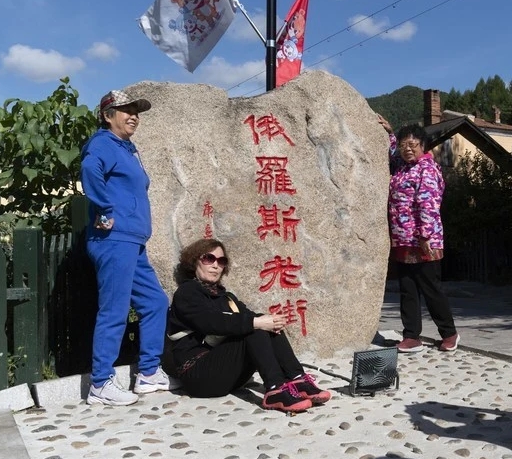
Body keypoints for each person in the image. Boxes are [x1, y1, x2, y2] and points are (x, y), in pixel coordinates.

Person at [162, 238, 331, 413]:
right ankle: (275, 389)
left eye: (221, 261)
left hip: (227, 375)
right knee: (254, 326)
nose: (215, 265)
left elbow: (249, 317)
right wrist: (256, 322)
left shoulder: (226, 297)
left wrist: (270, 322)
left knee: (263, 323)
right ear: (194, 261)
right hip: (198, 376)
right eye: (208, 258)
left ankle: (298, 379)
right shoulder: (187, 292)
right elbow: (210, 322)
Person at [81, 90, 171, 406]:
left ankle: (148, 374)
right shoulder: (103, 144)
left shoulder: (127, 147)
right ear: (108, 115)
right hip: (113, 240)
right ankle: (101, 384)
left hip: (133, 242)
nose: (133, 115)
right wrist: (105, 210)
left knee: (156, 303)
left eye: (136, 111)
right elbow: (90, 170)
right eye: (125, 110)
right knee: (115, 311)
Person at [378, 115, 460, 354]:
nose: (407, 149)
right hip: (403, 239)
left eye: (412, 145)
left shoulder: (427, 168)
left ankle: (449, 333)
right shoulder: (403, 167)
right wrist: (392, 134)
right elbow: (393, 154)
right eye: (404, 145)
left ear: (423, 146)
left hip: (424, 240)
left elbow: (428, 204)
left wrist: (425, 236)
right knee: (408, 289)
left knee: (431, 288)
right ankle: (411, 336)